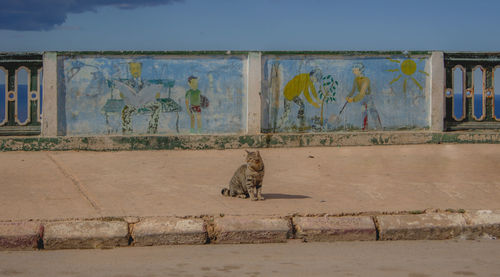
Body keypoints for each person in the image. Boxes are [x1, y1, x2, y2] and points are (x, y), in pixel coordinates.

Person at [346, 63, 382, 131]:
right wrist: (348, 96)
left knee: (373, 112)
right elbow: (353, 90)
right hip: (361, 98)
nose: (354, 72)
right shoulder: (356, 80)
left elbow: (362, 93)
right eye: (353, 70)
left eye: (355, 70)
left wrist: (353, 99)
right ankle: (365, 128)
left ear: (360, 70)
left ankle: (379, 127)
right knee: (363, 113)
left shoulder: (366, 80)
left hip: (368, 97)